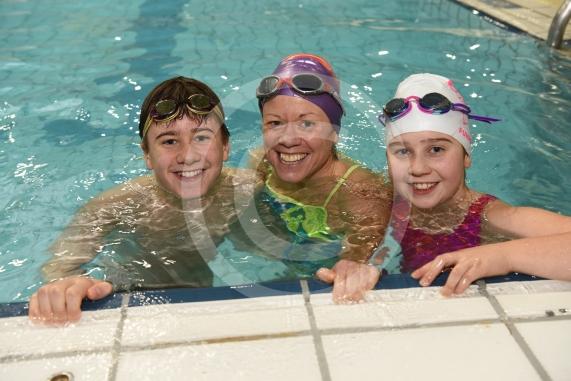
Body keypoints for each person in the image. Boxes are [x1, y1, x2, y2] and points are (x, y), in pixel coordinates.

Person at [29, 76, 255, 324]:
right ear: (147, 155)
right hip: (136, 298)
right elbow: (59, 267)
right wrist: (68, 287)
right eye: (169, 141)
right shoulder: (114, 207)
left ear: (225, 146)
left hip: (203, 295)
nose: (188, 156)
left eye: (202, 138)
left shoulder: (247, 188)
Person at [364, 73, 571, 296]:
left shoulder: (489, 216)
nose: (418, 168)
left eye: (436, 150)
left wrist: (502, 256)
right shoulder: (384, 203)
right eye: (403, 151)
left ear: (466, 156)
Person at [254, 53, 392, 301]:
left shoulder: (360, 192)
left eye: (306, 124)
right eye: (275, 123)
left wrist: (352, 263)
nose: (287, 139)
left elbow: (361, 258)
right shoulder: (262, 163)